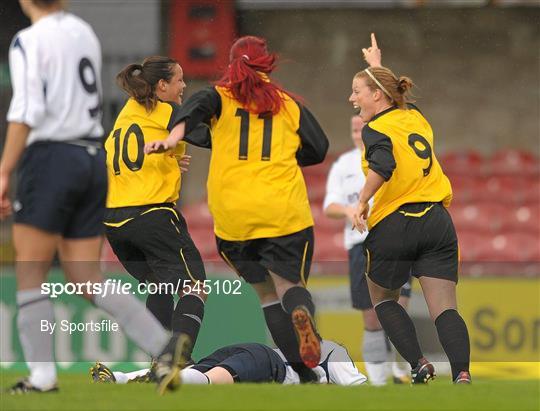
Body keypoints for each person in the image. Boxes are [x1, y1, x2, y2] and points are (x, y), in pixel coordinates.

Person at [0, 0, 185, 394]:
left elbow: (27, 110)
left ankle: (42, 378)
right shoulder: (83, 33)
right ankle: (163, 346)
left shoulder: (28, 40)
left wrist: (4, 170)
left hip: (50, 157)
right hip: (89, 158)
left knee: (30, 271)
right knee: (86, 275)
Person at [144, 36, 329, 380]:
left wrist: (172, 139)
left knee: (267, 298)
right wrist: (285, 154)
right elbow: (319, 148)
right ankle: (303, 317)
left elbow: (190, 112)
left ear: (231, 65)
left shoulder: (219, 98)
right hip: (282, 212)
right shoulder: (288, 104)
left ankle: (306, 376)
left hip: (234, 219)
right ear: (267, 65)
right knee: (290, 289)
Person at [350, 34, 471, 384]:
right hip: (436, 220)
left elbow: (383, 166)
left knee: (383, 300)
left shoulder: (374, 129)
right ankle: (462, 373)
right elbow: (392, 97)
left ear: (375, 95)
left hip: (395, 224)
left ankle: (419, 364)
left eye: (357, 91)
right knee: (445, 307)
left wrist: (360, 202)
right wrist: (376, 66)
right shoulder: (415, 117)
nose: (352, 98)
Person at [104, 56, 209, 363]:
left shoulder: (127, 112)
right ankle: (178, 359)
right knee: (194, 287)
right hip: (150, 215)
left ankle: (157, 362)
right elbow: (208, 135)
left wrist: (170, 160)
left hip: (114, 223)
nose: (184, 86)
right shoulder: (168, 111)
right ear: (162, 85)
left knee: (161, 286)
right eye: (179, 80)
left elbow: (127, 155)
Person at [323, 114, 412, 385]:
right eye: (352, 128)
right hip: (359, 244)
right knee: (371, 316)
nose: (356, 132)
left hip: (393, 241)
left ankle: (406, 370)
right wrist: (349, 210)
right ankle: (377, 383)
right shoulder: (343, 165)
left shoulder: (390, 155)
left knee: (398, 309)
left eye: (360, 127)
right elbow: (330, 206)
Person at [90, 339, 367, 386]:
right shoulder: (335, 351)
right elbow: (358, 391)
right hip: (267, 363)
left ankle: (121, 377)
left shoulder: (320, 349)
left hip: (245, 348)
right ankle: (175, 380)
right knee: (210, 381)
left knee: (195, 371)